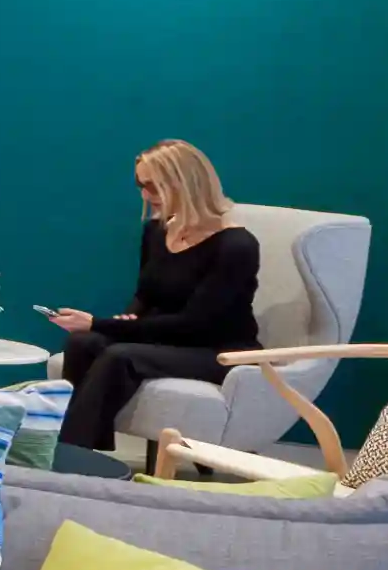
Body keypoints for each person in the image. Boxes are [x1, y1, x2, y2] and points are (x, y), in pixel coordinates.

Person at [45, 138, 263, 452]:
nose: (145, 195)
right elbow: (145, 296)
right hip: (169, 341)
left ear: (184, 184)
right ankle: (90, 448)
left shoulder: (236, 245)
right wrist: (127, 319)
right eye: (140, 185)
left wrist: (101, 324)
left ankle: (68, 452)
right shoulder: (157, 231)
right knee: (82, 342)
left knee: (119, 356)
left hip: (218, 351)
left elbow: (194, 324)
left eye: (152, 186)